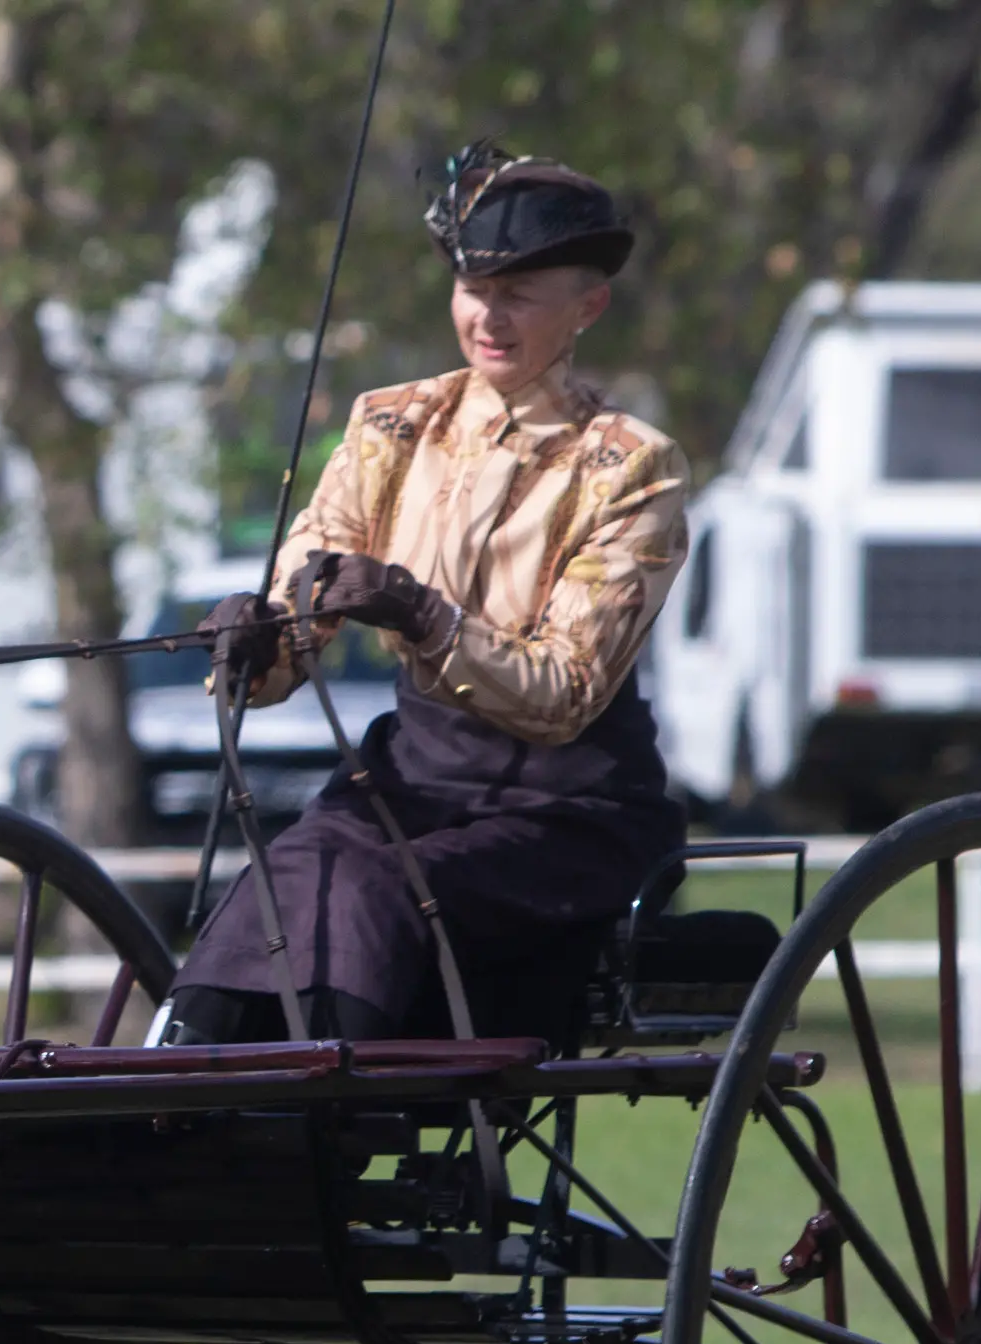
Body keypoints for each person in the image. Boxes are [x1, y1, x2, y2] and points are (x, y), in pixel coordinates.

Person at [164, 141, 692, 1049]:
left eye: (520, 293)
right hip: (408, 783)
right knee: (284, 872)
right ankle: (166, 1100)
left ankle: (312, 1120)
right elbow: (302, 603)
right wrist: (255, 641)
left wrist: (421, 612)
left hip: (565, 814)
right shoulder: (391, 425)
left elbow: (564, 692)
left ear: (586, 307)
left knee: (365, 884)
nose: (488, 315)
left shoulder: (630, 467)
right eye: (472, 289)